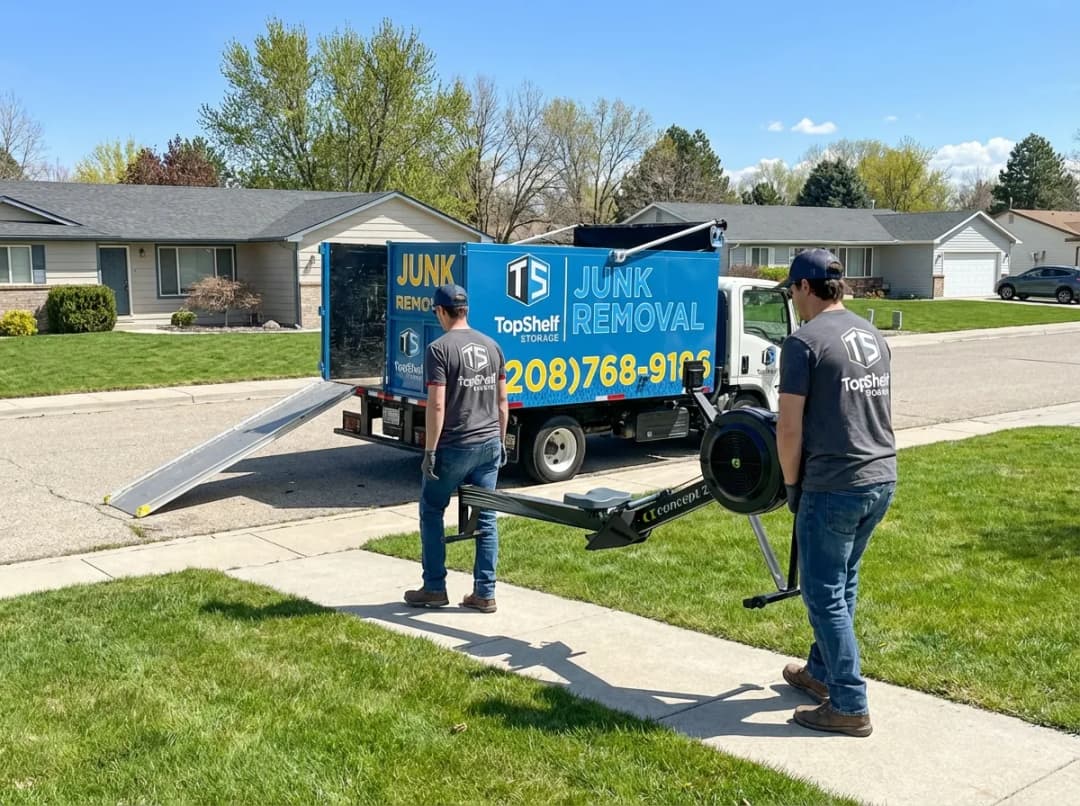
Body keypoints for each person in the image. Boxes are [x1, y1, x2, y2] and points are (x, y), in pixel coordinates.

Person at [776, 249, 897, 738]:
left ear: (806, 288)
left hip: (833, 484)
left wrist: (790, 485)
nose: (793, 299)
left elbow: (789, 429)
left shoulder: (803, 343)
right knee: (843, 581)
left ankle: (849, 703)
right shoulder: (872, 334)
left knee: (823, 594)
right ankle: (821, 674)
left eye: (793, 290)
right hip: (880, 476)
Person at [404, 283, 509, 613]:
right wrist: (501, 441)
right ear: (466, 310)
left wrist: (430, 452)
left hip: (454, 446)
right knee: (486, 518)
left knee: (432, 510)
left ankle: (435, 587)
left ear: (440, 311)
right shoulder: (492, 346)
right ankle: (485, 593)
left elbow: (436, 406)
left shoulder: (439, 349)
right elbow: (503, 402)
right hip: (489, 443)